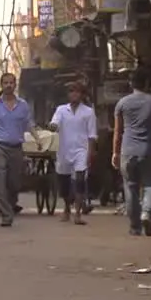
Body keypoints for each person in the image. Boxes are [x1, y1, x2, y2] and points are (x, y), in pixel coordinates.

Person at [113, 64, 151, 237]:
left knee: (130, 187)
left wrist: (115, 153)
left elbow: (118, 131)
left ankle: (135, 227)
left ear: (131, 83)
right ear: (148, 83)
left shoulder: (122, 103)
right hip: (148, 149)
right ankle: (147, 213)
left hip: (127, 151)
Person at [0, 72, 33, 227]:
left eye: (11, 82)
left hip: (16, 148)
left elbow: (29, 124)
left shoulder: (23, 105)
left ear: (15, 85)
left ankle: (10, 204)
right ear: (1, 85)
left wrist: (37, 139)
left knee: (14, 182)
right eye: (5, 83)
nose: (8, 85)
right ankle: (6, 214)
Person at [49, 83, 97, 226]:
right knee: (64, 183)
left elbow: (92, 135)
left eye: (77, 92)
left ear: (82, 95)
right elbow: (54, 123)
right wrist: (53, 126)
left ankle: (77, 213)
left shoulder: (88, 112)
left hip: (81, 150)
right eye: (71, 92)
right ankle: (66, 208)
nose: (74, 95)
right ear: (68, 94)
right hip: (64, 150)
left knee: (80, 180)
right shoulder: (61, 110)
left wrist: (91, 153)